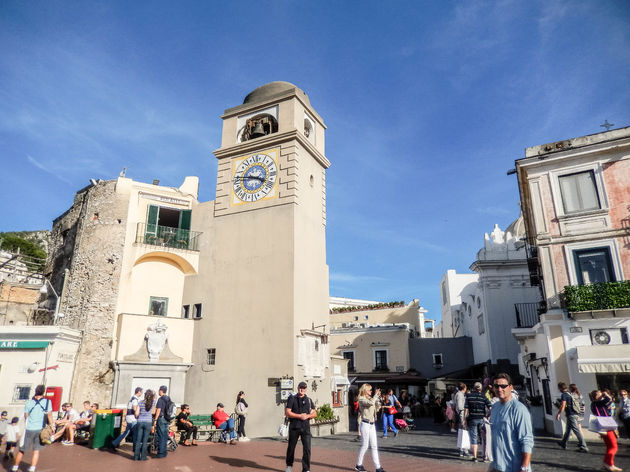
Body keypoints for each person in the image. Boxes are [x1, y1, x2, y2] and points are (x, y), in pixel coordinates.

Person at [488, 373, 533, 472]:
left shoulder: (519, 409)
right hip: (496, 465)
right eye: (496, 386)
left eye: (503, 386)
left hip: (513, 466)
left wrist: (524, 467)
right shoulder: (495, 407)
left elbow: (526, 440)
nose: (499, 389)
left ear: (510, 387)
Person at [12, 384, 53, 472]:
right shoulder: (47, 402)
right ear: (43, 392)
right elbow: (49, 415)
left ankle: (15, 467)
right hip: (40, 429)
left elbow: (26, 415)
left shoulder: (29, 402)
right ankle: (32, 468)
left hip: (29, 428)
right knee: (36, 450)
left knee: (21, 450)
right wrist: (52, 426)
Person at [354, 383, 386, 472]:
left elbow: (376, 408)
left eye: (371, 390)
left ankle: (378, 467)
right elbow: (369, 403)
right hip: (365, 424)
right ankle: (358, 464)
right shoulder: (361, 399)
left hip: (372, 424)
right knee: (365, 445)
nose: (371, 391)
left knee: (374, 446)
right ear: (365, 390)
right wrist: (375, 396)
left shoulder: (370, 399)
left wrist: (378, 403)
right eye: (370, 390)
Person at [285, 381, 316, 472]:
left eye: (303, 388)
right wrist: (299, 416)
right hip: (294, 427)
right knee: (291, 448)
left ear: (305, 389)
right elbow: (287, 412)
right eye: (300, 387)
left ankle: (306, 469)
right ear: (298, 388)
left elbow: (314, 413)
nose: (301, 389)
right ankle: (289, 466)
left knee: (307, 449)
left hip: (305, 428)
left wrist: (307, 416)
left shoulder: (309, 400)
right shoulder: (292, 398)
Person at [590, 389, 621, 472]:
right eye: (600, 394)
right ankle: (608, 464)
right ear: (596, 396)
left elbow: (610, 403)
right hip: (607, 425)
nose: (602, 394)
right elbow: (609, 399)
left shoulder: (593, 404)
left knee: (609, 446)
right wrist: (606, 394)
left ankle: (609, 464)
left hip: (601, 426)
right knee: (614, 446)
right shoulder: (599, 403)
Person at [555, 382, 588, 452]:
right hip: (574, 413)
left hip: (571, 415)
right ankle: (563, 443)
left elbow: (563, 405)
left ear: (560, 388)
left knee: (576, 430)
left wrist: (558, 414)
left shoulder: (564, 395)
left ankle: (584, 446)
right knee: (567, 430)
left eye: (559, 388)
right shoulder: (570, 394)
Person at [464, 381, 491, 462]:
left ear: (474, 388)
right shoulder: (483, 396)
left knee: (474, 438)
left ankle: (475, 457)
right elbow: (490, 407)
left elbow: (466, 409)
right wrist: (488, 416)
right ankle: (484, 457)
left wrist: (464, 419)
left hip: (472, 419)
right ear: (481, 388)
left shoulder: (469, 396)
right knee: (484, 438)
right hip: (482, 419)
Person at [133, 389, 155, 461]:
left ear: (145, 395)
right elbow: (154, 411)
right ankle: (143, 457)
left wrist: (137, 417)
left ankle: (136, 457)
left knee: (138, 440)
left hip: (140, 422)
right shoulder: (153, 403)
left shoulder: (140, 402)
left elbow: (136, 413)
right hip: (148, 422)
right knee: (145, 440)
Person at [153, 385, 171, 458]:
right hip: (167, 419)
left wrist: (155, 420)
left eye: (159, 390)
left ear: (161, 391)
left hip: (161, 418)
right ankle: (164, 452)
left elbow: (158, 410)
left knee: (160, 436)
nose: (158, 392)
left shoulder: (160, 399)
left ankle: (160, 453)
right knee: (165, 436)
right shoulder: (168, 398)